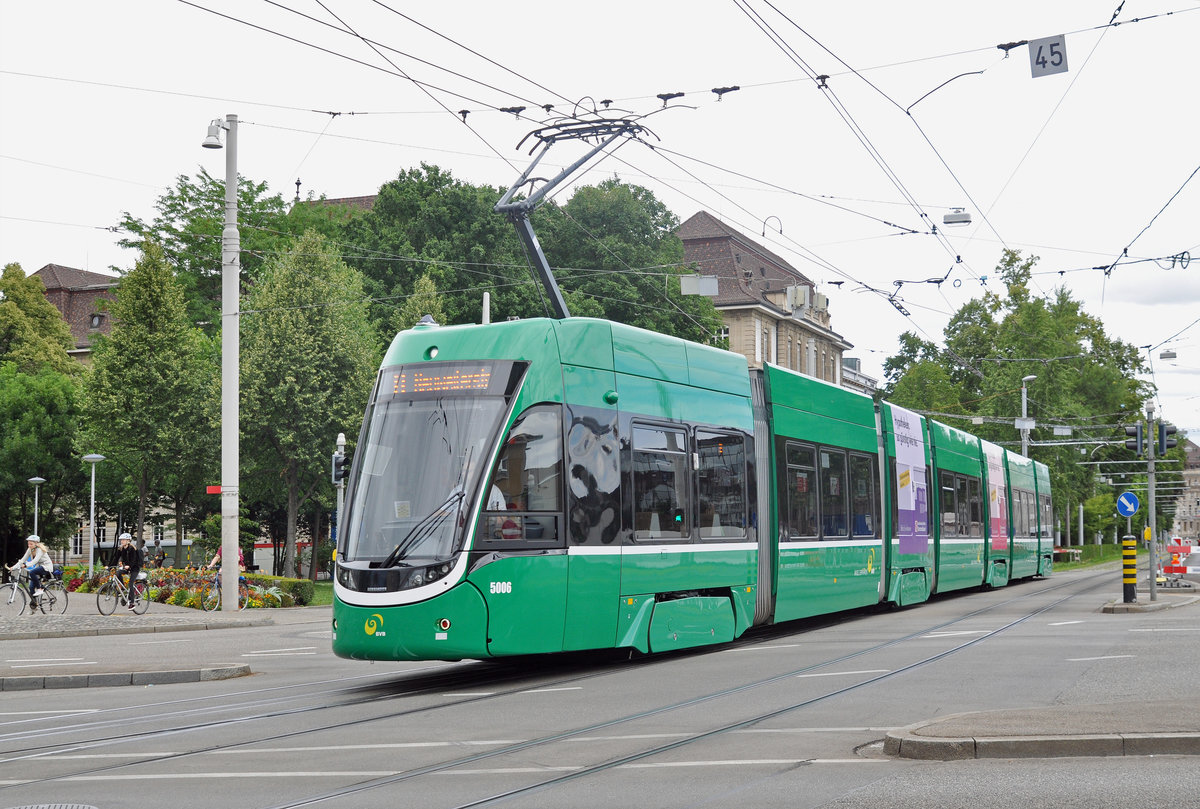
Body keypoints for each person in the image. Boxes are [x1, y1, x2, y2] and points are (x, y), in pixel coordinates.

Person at [8, 535, 53, 610]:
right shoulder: (30, 549)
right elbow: (22, 560)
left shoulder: (40, 550)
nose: (29, 545)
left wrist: (26, 565)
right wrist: (13, 567)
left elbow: (34, 561)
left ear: (36, 543)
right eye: (28, 543)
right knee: (31, 587)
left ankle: (39, 589)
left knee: (32, 572)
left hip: (46, 567)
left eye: (31, 544)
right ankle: (34, 605)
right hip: (38, 568)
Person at [113, 532, 144, 612]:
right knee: (118, 573)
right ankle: (123, 588)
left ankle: (132, 603)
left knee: (131, 583)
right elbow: (116, 558)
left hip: (134, 568)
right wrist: (109, 566)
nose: (121, 541)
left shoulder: (132, 548)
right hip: (127, 568)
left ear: (128, 540)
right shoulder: (121, 549)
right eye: (121, 540)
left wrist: (129, 566)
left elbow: (133, 560)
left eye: (123, 540)